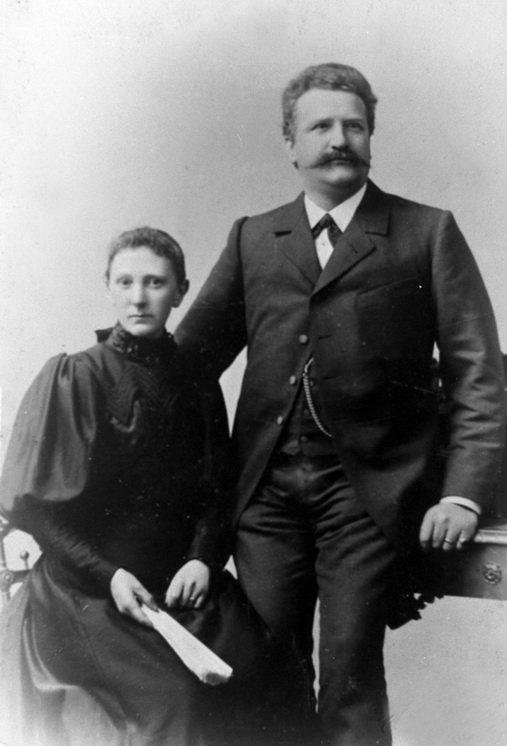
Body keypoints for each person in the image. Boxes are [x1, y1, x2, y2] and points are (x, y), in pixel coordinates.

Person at [175, 63, 507, 746]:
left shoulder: (425, 232)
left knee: (349, 669)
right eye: (320, 126)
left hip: (368, 492)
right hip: (264, 494)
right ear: (290, 145)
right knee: (268, 668)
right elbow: (187, 366)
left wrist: (463, 494)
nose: (338, 139)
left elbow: (478, 374)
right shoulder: (253, 237)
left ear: (370, 138)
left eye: (354, 125)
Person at [0, 227, 277, 746]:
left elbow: (219, 492)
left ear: (181, 291)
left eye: (155, 282)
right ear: (108, 287)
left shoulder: (198, 379)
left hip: (177, 584)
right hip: (87, 591)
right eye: (125, 282)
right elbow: (41, 514)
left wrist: (202, 560)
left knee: (264, 673)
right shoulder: (77, 376)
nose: (138, 297)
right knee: (176, 700)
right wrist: (109, 576)